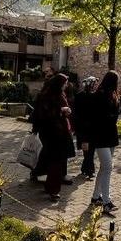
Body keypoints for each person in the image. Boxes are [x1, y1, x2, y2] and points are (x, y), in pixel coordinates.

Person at [34, 73, 76, 201]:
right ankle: (53, 189)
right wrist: (61, 110)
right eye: (64, 83)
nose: (66, 85)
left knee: (54, 160)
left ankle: (49, 184)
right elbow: (45, 114)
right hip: (52, 132)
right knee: (55, 162)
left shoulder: (60, 94)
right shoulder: (47, 96)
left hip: (60, 131)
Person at [88, 71, 120, 215]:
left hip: (111, 134)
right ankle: (106, 201)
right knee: (108, 167)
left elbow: (114, 113)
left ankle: (96, 197)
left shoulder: (113, 94)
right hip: (100, 135)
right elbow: (96, 116)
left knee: (104, 168)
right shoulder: (99, 95)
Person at [74, 76, 97, 180]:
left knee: (87, 150)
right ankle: (90, 171)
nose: (95, 86)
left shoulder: (79, 96)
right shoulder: (94, 96)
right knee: (90, 150)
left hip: (82, 129)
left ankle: (85, 168)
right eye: (94, 84)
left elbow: (75, 112)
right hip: (89, 129)